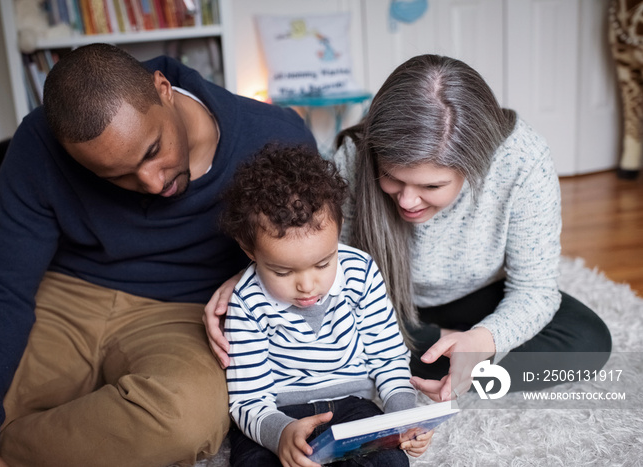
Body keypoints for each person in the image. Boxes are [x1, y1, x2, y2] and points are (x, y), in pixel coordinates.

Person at [0, 43, 316, 467]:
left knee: (186, 418)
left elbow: (310, 251)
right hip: (66, 296)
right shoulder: (38, 143)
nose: (153, 184)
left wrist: (248, 276)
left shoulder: (274, 137)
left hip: (183, 311)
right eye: (115, 175)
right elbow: (2, 289)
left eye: (153, 151)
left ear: (163, 89)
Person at [204, 54, 612, 403]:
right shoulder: (353, 156)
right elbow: (319, 257)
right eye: (393, 179)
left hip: (479, 296)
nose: (407, 201)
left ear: (475, 166)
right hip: (381, 305)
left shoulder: (522, 160)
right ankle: (439, 363)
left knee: (589, 343)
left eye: (432, 186)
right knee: (312, 334)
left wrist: (483, 340)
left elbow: (534, 291)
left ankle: (447, 365)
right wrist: (256, 275)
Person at [220, 144, 433, 467]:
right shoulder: (247, 299)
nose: (307, 285)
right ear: (249, 250)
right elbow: (248, 399)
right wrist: (280, 435)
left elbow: (388, 357)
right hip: (280, 413)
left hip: (353, 406)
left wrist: (403, 417)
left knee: (390, 462)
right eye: (282, 272)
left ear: (338, 228)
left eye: (323, 263)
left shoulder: (360, 272)